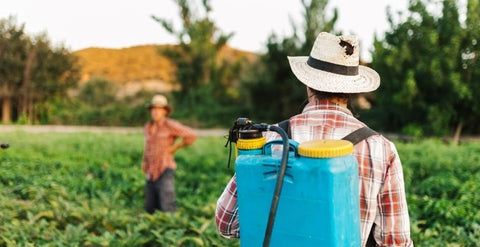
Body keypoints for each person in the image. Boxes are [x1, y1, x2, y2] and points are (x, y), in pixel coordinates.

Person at [215, 32, 414, 246]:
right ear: (352, 90)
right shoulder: (381, 149)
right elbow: (395, 241)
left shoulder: (270, 139)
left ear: (308, 84)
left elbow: (226, 223)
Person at [142, 94, 197, 213]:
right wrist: (144, 161)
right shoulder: (148, 127)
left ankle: (171, 227)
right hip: (151, 170)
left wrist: (175, 147)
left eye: (159, 109)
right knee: (150, 206)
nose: (156, 112)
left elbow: (191, 135)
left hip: (165, 168)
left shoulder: (170, 125)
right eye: (154, 109)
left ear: (164, 111)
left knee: (167, 203)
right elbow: (147, 147)